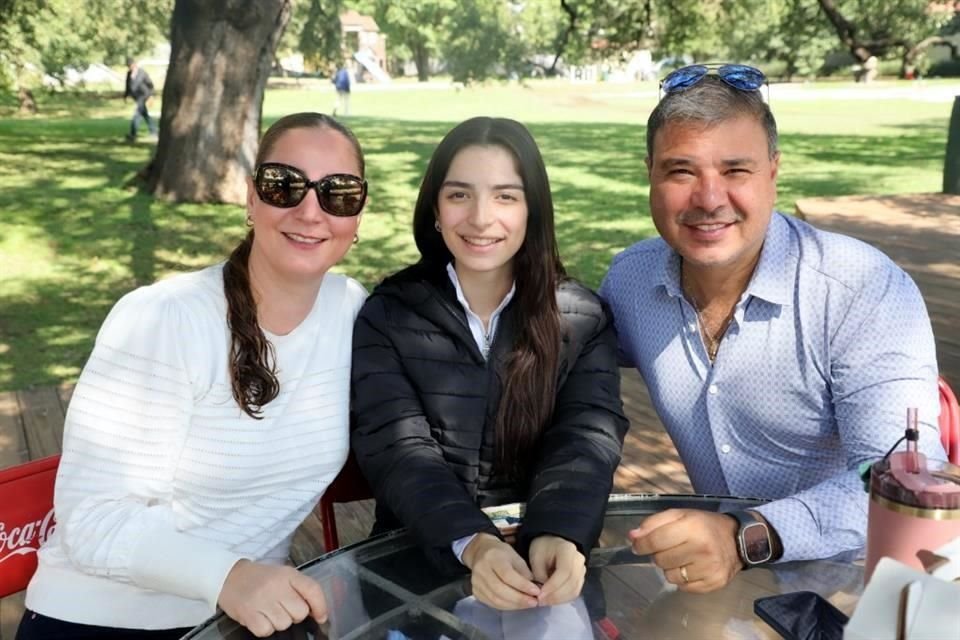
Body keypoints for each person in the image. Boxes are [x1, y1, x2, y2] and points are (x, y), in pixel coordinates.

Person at [18, 112, 369, 639]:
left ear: (358, 215)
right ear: (251, 199)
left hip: (244, 618)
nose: (310, 210)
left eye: (338, 193)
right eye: (283, 186)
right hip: (105, 618)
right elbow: (93, 520)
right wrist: (229, 577)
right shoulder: (162, 319)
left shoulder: (351, 310)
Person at [599, 63, 947, 594]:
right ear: (649, 173)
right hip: (715, 583)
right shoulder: (629, 282)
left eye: (735, 170)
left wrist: (748, 536)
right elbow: (563, 372)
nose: (709, 199)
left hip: (859, 581)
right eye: (681, 171)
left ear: (773, 172)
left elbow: (898, 478)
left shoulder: (861, 289)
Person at [350, 117, 628, 611]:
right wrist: (473, 544)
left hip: (544, 570)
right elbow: (398, 450)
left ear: (532, 211)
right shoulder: (387, 314)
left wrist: (560, 531)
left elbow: (587, 435)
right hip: (417, 570)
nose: (481, 218)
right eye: (459, 195)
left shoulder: (581, 318)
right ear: (435, 209)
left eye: (505, 196)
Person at [124, 56, 158, 141]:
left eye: (131, 65)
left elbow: (150, 85)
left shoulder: (142, 73)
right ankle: (154, 132)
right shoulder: (129, 73)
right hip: (136, 97)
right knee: (145, 115)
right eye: (128, 66)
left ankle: (133, 134)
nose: (130, 67)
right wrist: (126, 95)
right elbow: (128, 85)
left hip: (144, 95)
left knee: (137, 114)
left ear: (134, 65)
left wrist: (151, 96)